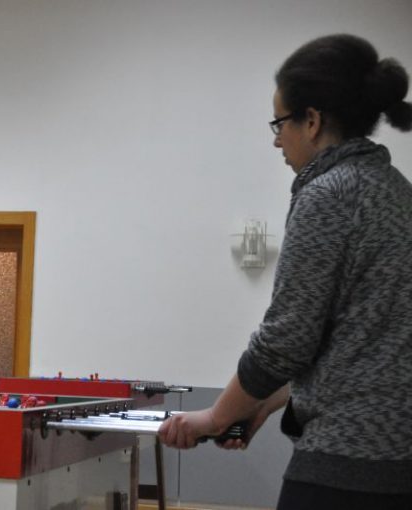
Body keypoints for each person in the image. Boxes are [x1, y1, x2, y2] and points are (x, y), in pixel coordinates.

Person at [159, 34, 412, 509]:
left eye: (279, 123)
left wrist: (215, 417)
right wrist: (261, 404)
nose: (276, 139)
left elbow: (286, 340)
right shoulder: (397, 191)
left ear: (311, 121)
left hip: (346, 462)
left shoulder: (329, 193)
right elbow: (351, 342)